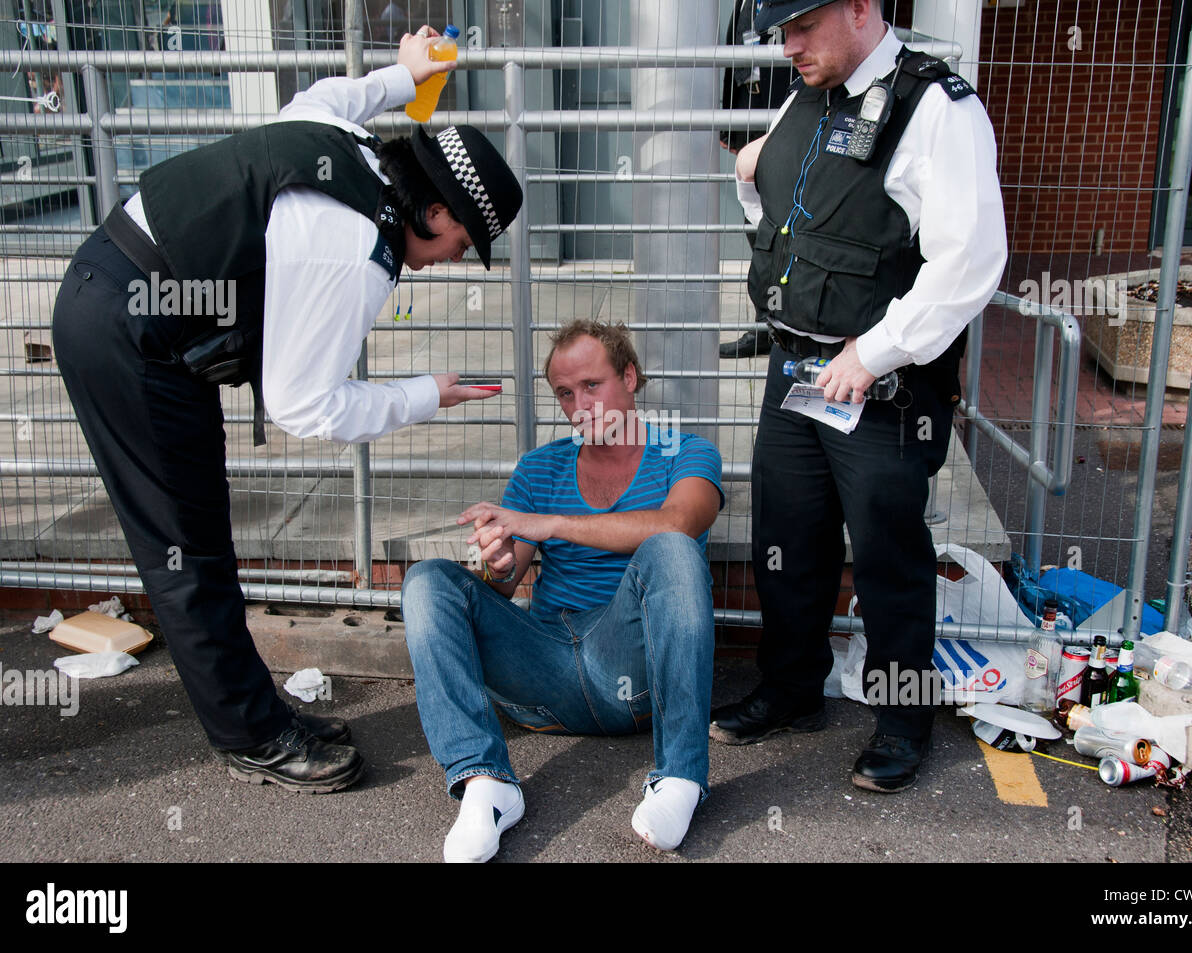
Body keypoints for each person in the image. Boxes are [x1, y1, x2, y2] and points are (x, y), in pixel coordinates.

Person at [51, 27, 523, 794]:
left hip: (128, 299)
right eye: (464, 243)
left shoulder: (343, 136)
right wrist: (424, 394)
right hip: (128, 335)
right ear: (434, 211)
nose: (452, 262)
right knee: (187, 551)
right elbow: (302, 403)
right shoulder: (357, 248)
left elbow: (351, 91)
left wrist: (406, 74)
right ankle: (254, 735)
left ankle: (255, 713)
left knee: (197, 532)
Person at [709, 0, 1007, 792]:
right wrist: (750, 177)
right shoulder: (812, 88)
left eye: (802, 26)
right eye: (781, 33)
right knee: (789, 541)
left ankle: (903, 721)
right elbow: (786, 211)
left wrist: (871, 355)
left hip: (886, 389)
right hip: (796, 369)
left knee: (888, 560)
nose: (789, 46)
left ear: (861, 8)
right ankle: (791, 687)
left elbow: (970, 262)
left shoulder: (938, 109)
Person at [401, 320, 724, 862]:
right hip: (544, 665)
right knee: (428, 581)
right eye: (565, 393)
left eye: (592, 385)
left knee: (672, 548)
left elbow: (679, 523)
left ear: (630, 377)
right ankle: (486, 785)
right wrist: (496, 563)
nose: (580, 405)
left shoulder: (686, 452)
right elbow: (502, 585)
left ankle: (680, 779)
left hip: (631, 664)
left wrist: (549, 524)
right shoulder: (540, 467)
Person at [718, 0, 795, 360]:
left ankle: (782, 322)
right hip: (755, 118)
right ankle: (768, 322)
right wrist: (731, 126)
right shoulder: (747, 1)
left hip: (796, 115)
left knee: (784, 227)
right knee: (756, 226)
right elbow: (736, 52)